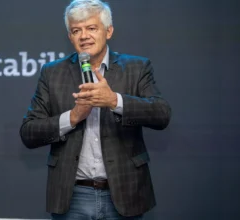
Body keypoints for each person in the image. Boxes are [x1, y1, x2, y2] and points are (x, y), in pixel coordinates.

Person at [20, 0, 171, 219]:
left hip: (124, 192)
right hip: (72, 196)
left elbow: (161, 114)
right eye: (76, 30)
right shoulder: (52, 73)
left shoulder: (137, 68)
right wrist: (72, 117)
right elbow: (28, 132)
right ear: (70, 37)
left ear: (108, 31)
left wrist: (114, 101)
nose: (84, 36)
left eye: (91, 28)